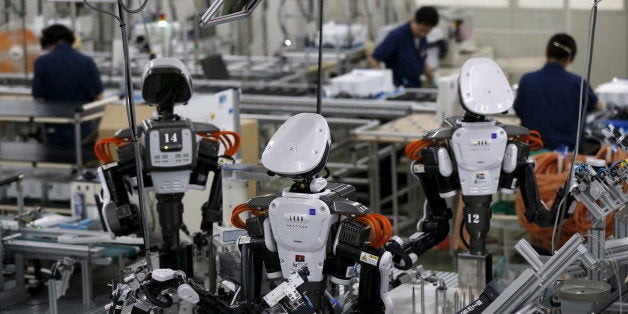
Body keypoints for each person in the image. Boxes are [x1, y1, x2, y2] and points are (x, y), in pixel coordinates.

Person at [514, 33, 603, 152]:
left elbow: (519, 110)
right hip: (568, 158)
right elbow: (598, 106)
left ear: (546, 53)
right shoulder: (578, 83)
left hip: (532, 153)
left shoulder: (527, 80)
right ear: (570, 59)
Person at [32, 24, 104, 148]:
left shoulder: (41, 62)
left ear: (47, 41)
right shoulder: (87, 61)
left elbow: (38, 97)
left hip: (55, 126)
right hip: (83, 126)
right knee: (83, 158)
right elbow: (99, 96)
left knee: (54, 160)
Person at [368, 6, 439, 88]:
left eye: (427, 32)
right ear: (414, 21)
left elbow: (422, 60)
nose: (423, 34)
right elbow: (374, 59)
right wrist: (384, 82)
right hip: (398, 87)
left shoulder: (422, 39)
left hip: (414, 87)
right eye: (421, 30)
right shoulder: (397, 36)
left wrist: (434, 80)